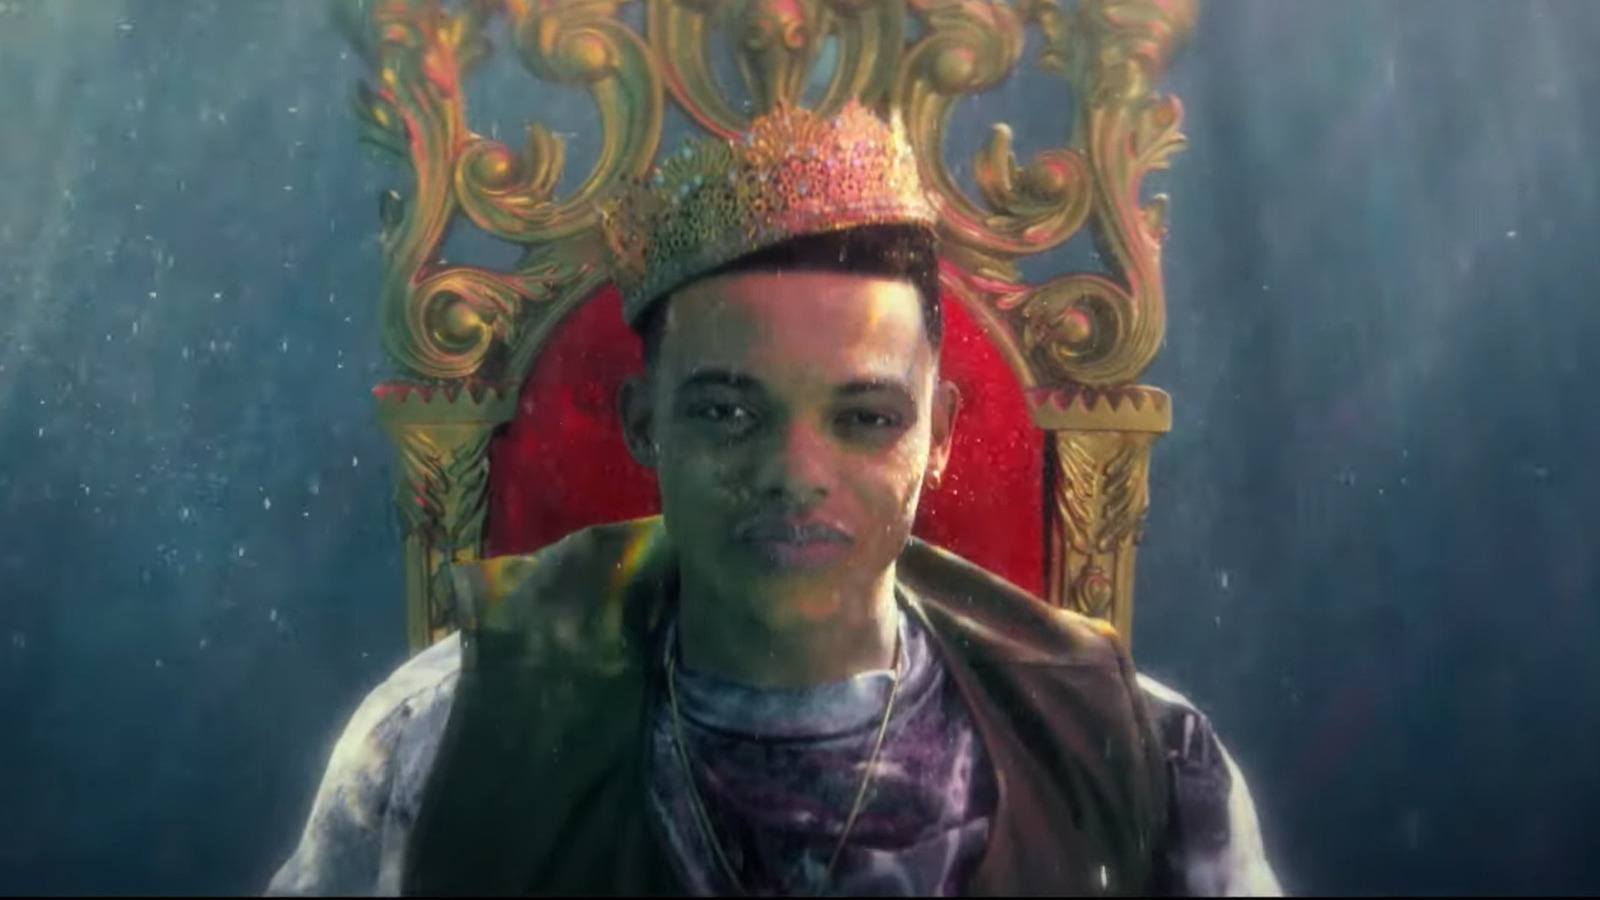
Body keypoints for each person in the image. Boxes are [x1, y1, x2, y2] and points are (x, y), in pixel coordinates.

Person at [266, 102, 1282, 897]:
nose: (796, 471)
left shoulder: (1136, 750)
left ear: (939, 436)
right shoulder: (447, 731)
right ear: (643, 425)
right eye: (727, 413)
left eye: (866, 418)